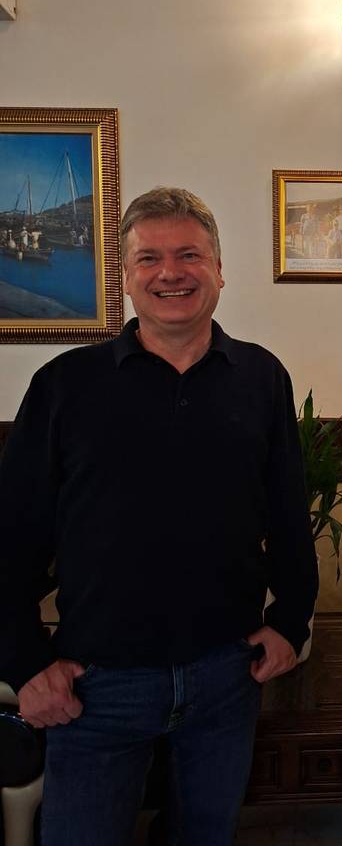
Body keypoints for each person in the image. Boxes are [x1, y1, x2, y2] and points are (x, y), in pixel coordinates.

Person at [0, 187, 318, 846]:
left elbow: (289, 512)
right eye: (149, 258)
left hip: (227, 678)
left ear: (219, 270)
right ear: (125, 277)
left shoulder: (262, 378)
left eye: (189, 255)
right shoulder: (65, 385)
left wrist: (291, 619)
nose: (171, 272)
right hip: (96, 686)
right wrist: (25, 663)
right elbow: (12, 535)